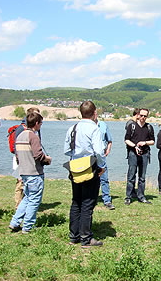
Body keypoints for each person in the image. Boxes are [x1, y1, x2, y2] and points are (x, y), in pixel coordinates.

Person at [64, 101, 106, 248]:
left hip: (75, 167)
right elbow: (99, 151)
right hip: (90, 166)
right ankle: (86, 238)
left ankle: (73, 236)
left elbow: (66, 150)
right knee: (88, 202)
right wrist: (101, 166)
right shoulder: (94, 129)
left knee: (76, 201)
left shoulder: (72, 128)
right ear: (94, 113)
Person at [9, 112, 51, 233]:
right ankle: (28, 226)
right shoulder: (33, 136)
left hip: (24, 172)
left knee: (27, 198)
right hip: (34, 173)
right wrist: (47, 159)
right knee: (34, 200)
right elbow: (38, 155)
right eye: (41, 123)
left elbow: (17, 156)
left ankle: (15, 222)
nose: (41, 125)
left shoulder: (20, 135)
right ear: (36, 123)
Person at [12, 107, 41, 209]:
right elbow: (17, 146)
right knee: (20, 183)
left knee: (29, 184)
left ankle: (26, 204)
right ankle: (18, 205)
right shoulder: (22, 128)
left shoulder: (36, 129)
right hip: (22, 159)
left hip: (31, 160)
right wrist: (19, 161)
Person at [124, 108, 155, 205]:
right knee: (131, 176)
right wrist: (135, 146)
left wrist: (145, 142)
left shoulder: (149, 127)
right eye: (141, 115)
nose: (142, 118)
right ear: (138, 115)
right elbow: (126, 140)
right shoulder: (131, 126)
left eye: (145, 116)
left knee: (142, 177)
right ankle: (128, 197)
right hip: (133, 153)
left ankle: (141, 196)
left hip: (145, 154)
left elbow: (153, 141)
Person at [95, 116, 115, 210]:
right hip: (89, 156)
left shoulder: (103, 125)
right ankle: (91, 199)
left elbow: (109, 140)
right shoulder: (87, 126)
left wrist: (108, 149)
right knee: (90, 179)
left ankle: (107, 200)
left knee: (104, 178)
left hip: (101, 156)